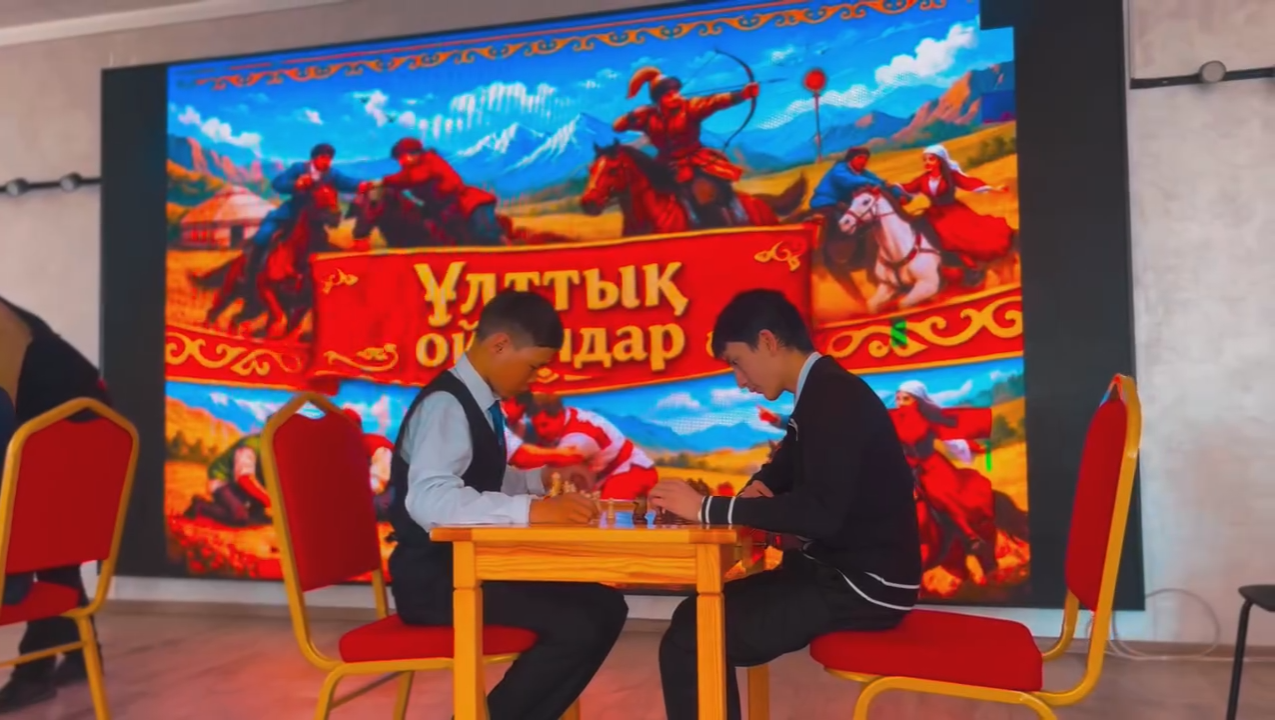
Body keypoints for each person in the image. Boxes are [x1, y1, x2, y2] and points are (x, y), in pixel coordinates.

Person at [648, 289, 921, 720]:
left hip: (862, 587)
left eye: (737, 362)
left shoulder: (834, 398)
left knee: (694, 637)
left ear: (768, 341)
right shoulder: (820, 392)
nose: (740, 381)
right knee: (696, 616)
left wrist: (707, 508)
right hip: (835, 573)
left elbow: (819, 514)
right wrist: (756, 488)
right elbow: (781, 468)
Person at [386, 290, 628, 720]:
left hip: (467, 570)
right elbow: (430, 499)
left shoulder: (480, 403)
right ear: (500, 344)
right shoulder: (446, 405)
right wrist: (533, 512)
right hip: (435, 581)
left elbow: (483, 481)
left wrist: (541, 480)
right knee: (582, 622)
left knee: (603, 606)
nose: (535, 379)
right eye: (533, 366)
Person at [0, 298, 111, 714]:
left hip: (57, 425)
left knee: (46, 545)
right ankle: (82, 653)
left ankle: (35, 672)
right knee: (55, 552)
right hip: (76, 419)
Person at [615, 66, 759, 228]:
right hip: (664, 164)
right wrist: (634, 114)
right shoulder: (648, 117)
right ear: (658, 100)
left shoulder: (690, 107)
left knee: (706, 190)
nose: (675, 96)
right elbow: (618, 126)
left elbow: (715, 101)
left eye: (676, 92)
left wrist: (743, 94)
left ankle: (737, 213)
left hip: (695, 161)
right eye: (668, 94)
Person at [898, 143, 1014, 284]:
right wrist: (890, 188)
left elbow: (970, 183)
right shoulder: (923, 179)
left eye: (931, 159)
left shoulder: (951, 176)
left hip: (953, 211)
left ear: (940, 161)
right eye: (925, 159)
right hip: (934, 213)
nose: (927, 162)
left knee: (958, 236)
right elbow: (908, 188)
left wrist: (994, 189)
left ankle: (972, 267)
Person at [243, 143, 365, 277]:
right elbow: (277, 183)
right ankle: (250, 274)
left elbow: (347, 182)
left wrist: (362, 185)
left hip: (314, 219)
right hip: (291, 213)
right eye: (323, 158)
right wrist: (296, 184)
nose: (327, 162)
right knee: (264, 235)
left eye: (329, 159)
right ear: (314, 158)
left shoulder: (331, 174)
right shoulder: (299, 169)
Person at [525, 393, 660, 500]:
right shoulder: (567, 416)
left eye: (544, 425)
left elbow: (552, 469)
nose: (541, 432)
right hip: (607, 476)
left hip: (633, 472)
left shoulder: (580, 437)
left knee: (606, 515)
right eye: (537, 426)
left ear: (559, 415)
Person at [372, 137, 504, 246]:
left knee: (484, 232)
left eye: (404, 156)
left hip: (469, 202)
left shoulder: (430, 161)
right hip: (440, 205)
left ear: (416, 154)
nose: (402, 161)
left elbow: (415, 177)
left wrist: (382, 182)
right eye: (400, 158)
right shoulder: (410, 171)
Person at [809, 147, 910, 216]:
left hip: (845, 203)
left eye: (865, 159)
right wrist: (875, 184)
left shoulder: (863, 172)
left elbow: (882, 183)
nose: (863, 161)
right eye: (859, 158)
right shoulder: (839, 169)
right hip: (826, 202)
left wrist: (898, 194)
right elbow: (851, 181)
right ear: (850, 159)